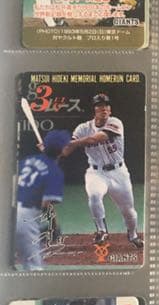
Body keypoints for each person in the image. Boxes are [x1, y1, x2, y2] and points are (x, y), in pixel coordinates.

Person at [61, 93, 143, 247]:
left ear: (110, 110)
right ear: (94, 110)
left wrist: (72, 143)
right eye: (99, 106)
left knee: (128, 211)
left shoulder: (115, 122)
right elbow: (65, 152)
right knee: (94, 195)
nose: (104, 108)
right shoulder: (83, 128)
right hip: (96, 173)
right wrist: (50, 149)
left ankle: (133, 236)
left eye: (106, 105)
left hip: (119, 172)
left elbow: (95, 139)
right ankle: (101, 230)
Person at [15, 129, 70, 270]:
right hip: (24, 218)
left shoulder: (27, 161)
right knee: (34, 270)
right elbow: (45, 204)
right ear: (63, 149)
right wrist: (51, 226)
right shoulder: (56, 173)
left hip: (4, 214)